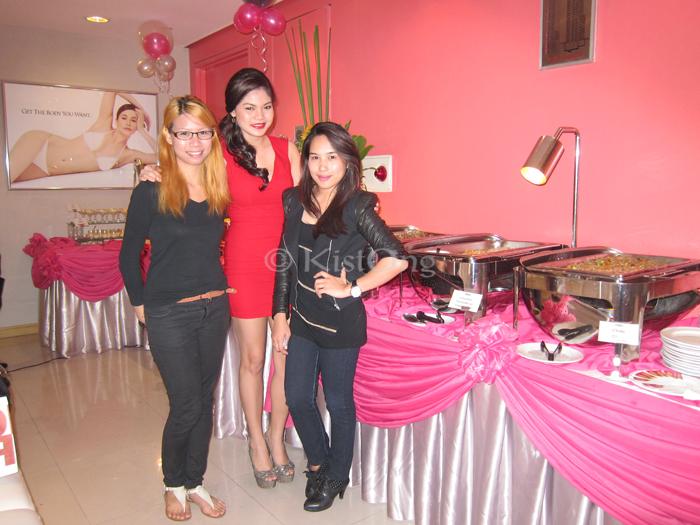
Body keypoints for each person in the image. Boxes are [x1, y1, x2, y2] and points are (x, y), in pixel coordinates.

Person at [139, 68, 301, 489]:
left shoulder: (288, 150)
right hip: (244, 265)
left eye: (266, 106)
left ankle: (276, 437)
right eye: (249, 107)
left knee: (286, 359)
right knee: (254, 359)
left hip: (288, 265)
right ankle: (256, 442)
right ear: (232, 112)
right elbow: (182, 167)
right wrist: (152, 170)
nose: (259, 115)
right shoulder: (218, 153)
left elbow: (309, 207)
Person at [270, 122, 408, 512]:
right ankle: (318, 462)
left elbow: (397, 258)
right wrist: (279, 314)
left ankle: (336, 474)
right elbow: (285, 261)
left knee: (337, 402)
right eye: (315, 157)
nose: (322, 166)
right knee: (296, 396)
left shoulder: (357, 205)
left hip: (340, 321)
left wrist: (353, 288)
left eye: (332, 157)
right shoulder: (293, 200)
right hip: (301, 317)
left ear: (347, 161)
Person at [119, 95, 230, 521]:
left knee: (205, 401)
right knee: (186, 404)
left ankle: (194, 481)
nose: (195, 142)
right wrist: (139, 306)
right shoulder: (151, 189)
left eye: (203, 132)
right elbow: (128, 256)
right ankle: (173, 483)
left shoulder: (218, 186)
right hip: (168, 311)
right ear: (168, 137)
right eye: (185, 133)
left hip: (214, 307)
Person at [9, 91, 157, 182]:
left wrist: (143, 131)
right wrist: (141, 109)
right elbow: (112, 90)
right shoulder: (103, 125)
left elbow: (161, 157)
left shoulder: (127, 155)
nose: (128, 123)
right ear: (116, 120)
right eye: (124, 118)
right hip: (42, 143)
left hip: (46, 170)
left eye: (134, 120)